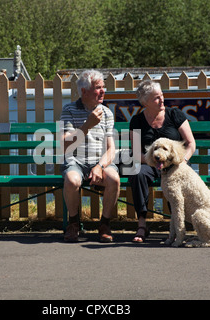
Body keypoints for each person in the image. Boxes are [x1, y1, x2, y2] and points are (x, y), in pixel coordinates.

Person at [129, 80, 195, 242]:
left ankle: (176, 227)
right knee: (136, 173)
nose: (162, 100)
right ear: (145, 102)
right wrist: (153, 162)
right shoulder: (137, 121)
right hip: (150, 163)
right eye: (156, 98)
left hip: (175, 164)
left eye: (162, 95)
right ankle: (142, 224)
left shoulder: (175, 115)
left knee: (174, 180)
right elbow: (136, 153)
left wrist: (183, 160)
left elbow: (191, 143)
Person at [60, 69, 120, 243]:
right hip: (75, 161)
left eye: (103, 87)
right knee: (72, 180)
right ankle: (73, 223)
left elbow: (111, 149)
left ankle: (104, 224)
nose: (103, 91)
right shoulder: (69, 109)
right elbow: (65, 145)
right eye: (98, 87)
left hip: (99, 162)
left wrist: (99, 167)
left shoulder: (107, 113)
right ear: (84, 92)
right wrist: (87, 125)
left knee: (114, 179)